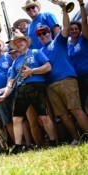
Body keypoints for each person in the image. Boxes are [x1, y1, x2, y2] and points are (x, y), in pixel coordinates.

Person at [0, 33, 57, 153]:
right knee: (16, 119)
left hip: (36, 86)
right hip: (21, 89)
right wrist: (3, 95)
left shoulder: (36, 52)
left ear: (27, 42)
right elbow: (11, 82)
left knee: (44, 116)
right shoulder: (15, 62)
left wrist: (32, 71)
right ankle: (18, 146)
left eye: (21, 41)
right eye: (16, 43)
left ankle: (53, 141)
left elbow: (48, 67)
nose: (18, 43)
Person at [36, 3, 88, 144]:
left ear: (50, 33)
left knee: (76, 109)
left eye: (45, 32)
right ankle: (76, 139)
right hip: (50, 86)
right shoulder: (39, 52)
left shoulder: (58, 41)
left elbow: (66, 26)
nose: (42, 35)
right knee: (63, 115)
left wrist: (64, 11)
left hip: (66, 79)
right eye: (39, 34)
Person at [68, 0, 88, 114]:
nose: (74, 30)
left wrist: (81, 4)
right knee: (83, 106)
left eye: (76, 28)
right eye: (71, 29)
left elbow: (84, 22)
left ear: (80, 30)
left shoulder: (84, 39)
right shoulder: (68, 47)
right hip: (78, 80)